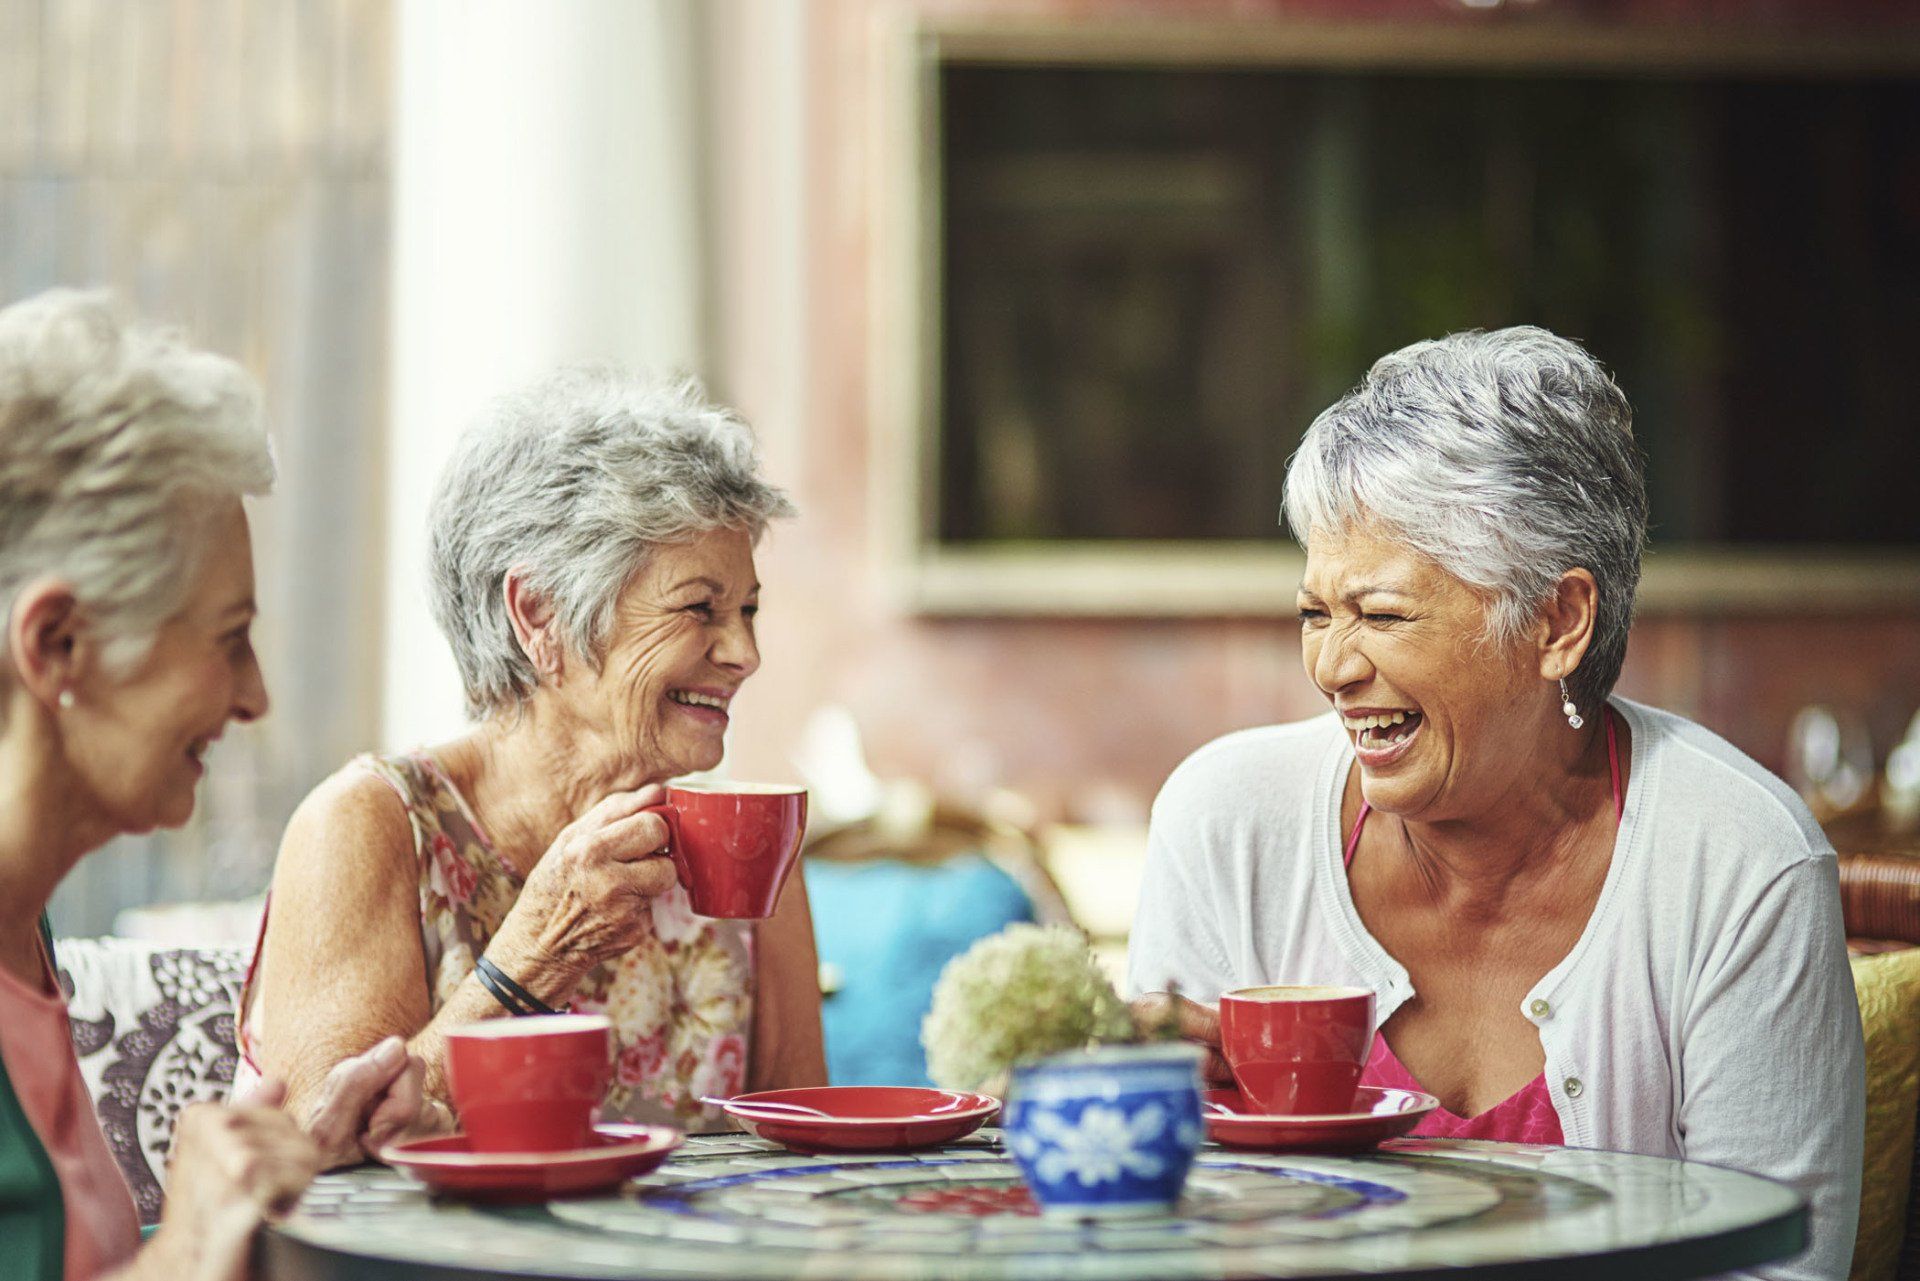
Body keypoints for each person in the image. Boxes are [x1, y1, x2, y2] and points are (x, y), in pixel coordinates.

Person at [1128, 327, 1864, 1280]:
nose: (1332, 668)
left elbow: (1778, 1267)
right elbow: (1155, 1241)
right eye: (1316, 612)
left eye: (1384, 615)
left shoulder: (1740, 863)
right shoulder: (1226, 822)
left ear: (1558, 621)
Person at [241, 366, 825, 1134]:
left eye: (748, 609)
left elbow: (806, 1148)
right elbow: (315, 1148)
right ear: (539, 612)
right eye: (700, 608)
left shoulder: (745, 844)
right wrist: (535, 954)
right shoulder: (369, 825)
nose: (744, 652)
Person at [0, 289, 423, 1281]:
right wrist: (185, 1248)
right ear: (57, 645)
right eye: (229, 640)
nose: (256, 697)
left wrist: (275, 1169)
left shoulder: (25, 936)